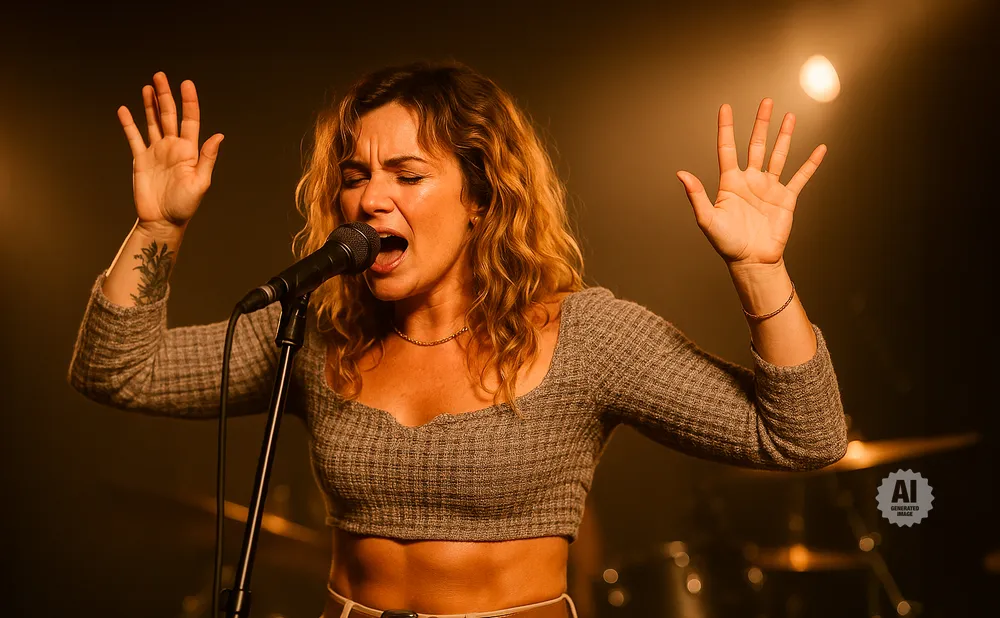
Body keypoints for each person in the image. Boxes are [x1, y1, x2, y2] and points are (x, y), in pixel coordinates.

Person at [68, 60, 848, 618]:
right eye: (354, 173)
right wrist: (158, 224)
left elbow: (805, 437)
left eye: (407, 175)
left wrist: (758, 266)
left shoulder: (586, 336)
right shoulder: (316, 335)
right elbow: (117, 368)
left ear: (481, 195)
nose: (370, 198)